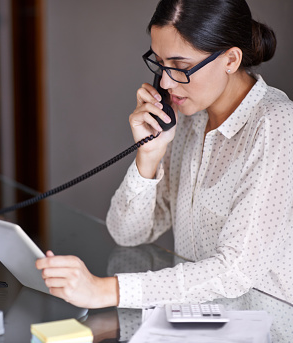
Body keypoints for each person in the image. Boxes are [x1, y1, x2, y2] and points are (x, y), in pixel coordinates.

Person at [36, 0, 293, 309]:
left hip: (268, 325)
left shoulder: (276, 125)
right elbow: (127, 234)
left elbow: (234, 272)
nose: (167, 82)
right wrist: (148, 156)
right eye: (159, 63)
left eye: (181, 66)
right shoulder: (186, 118)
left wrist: (106, 291)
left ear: (231, 59)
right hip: (202, 318)